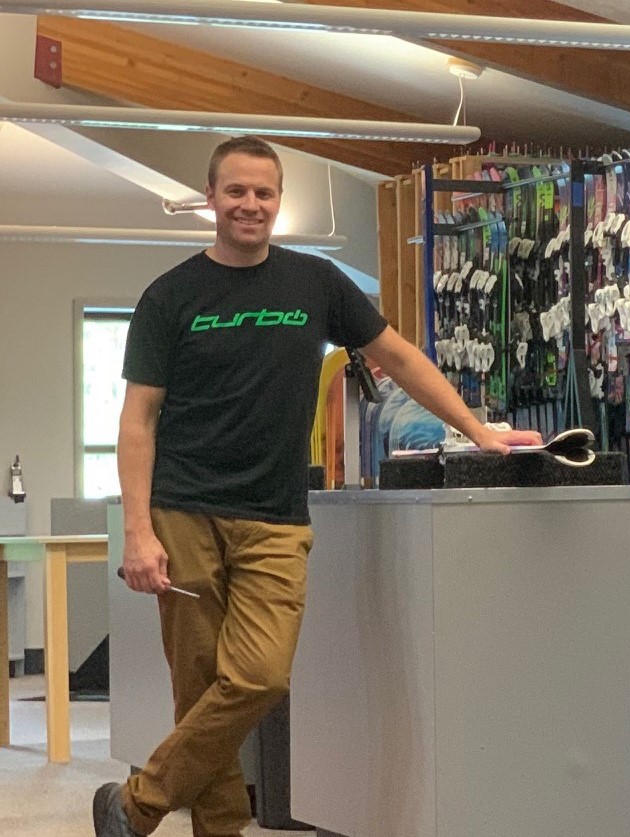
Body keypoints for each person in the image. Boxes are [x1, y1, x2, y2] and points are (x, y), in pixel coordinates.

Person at [95, 136, 541, 837]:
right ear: (210, 199)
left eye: (263, 192)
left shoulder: (315, 282)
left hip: (275, 517)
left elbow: (397, 357)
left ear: (278, 200)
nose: (250, 204)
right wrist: (138, 530)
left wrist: (477, 429)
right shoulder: (170, 296)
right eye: (235, 191)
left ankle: (135, 804)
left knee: (259, 678)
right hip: (184, 511)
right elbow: (138, 419)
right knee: (199, 688)